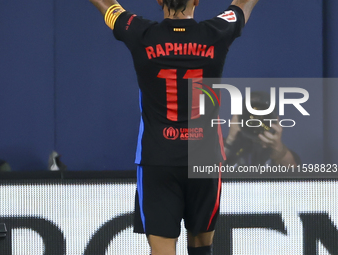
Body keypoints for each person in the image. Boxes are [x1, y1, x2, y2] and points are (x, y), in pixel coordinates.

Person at [89, 0, 259, 254]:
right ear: (197, 0)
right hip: (205, 159)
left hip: (158, 160)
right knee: (202, 247)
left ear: (159, 1)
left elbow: (108, 6)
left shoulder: (140, 33)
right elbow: (242, 6)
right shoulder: (217, 32)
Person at [224, 91, 301, 168]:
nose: (256, 121)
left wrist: (278, 148)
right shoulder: (226, 150)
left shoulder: (279, 152)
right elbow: (213, 169)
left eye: (263, 116)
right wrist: (230, 139)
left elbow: (295, 174)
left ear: (275, 120)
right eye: (250, 115)